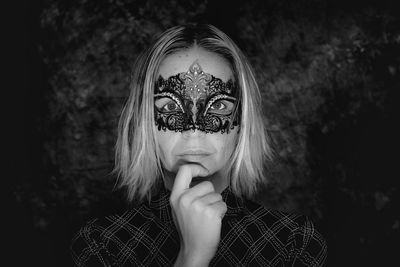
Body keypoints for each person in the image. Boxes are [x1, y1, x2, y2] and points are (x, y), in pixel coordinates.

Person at [71, 24, 327, 266]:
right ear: (144, 121)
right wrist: (192, 257)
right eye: (170, 107)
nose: (193, 131)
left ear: (242, 119)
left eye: (217, 106)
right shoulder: (103, 245)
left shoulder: (292, 243)